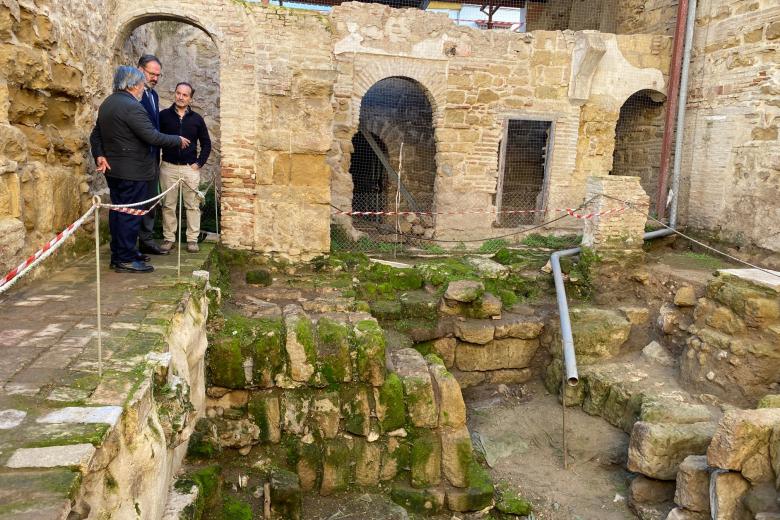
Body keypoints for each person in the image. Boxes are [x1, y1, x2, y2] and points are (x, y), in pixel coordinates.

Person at [90, 66, 189, 273]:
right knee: (129, 215)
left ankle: (121, 253)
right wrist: (177, 140)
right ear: (133, 85)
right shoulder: (131, 106)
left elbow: (95, 134)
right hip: (132, 172)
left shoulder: (107, 103)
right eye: (142, 84)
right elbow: (152, 136)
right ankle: (124, 259)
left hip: (114, 171)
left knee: (119, 212)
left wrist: (99, 154)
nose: (144, 88)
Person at [158, 82, 212, 253]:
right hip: (168, 167)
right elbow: (155, 138)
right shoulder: (163, 116)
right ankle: (168, 238)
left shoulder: (197, 119)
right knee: (168, 205)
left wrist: (199, 163)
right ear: (175, 94)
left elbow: (206, 144)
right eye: (178, 93)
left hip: (190, 169)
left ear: (190, 98)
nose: (181, 97)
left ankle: (192, 239)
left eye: (185, 95)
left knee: (192, 205)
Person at [136, 54, 167, 256]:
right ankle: (130, 246)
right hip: (136, 158)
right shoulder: (133, 94)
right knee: (135, 202)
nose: (155, 78)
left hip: (153, 158)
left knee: (150, 199)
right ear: (140, 70)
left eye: (157, 75)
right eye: (151, 74)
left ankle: (146, 239)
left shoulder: (153, 96)